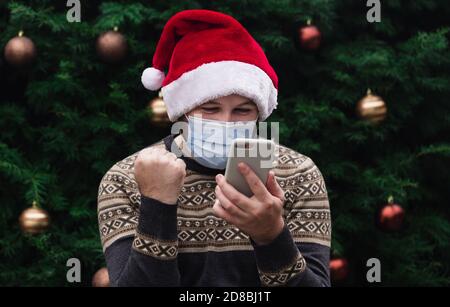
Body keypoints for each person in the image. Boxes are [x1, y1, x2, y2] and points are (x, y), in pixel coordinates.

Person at [97, 9, 331, 287]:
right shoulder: (127, 178)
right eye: (210, 108)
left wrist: (271, 235)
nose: (226, 122)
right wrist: (157, 204)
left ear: (260, 114)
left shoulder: (298, 174)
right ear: (184, 111)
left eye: (243, 110)